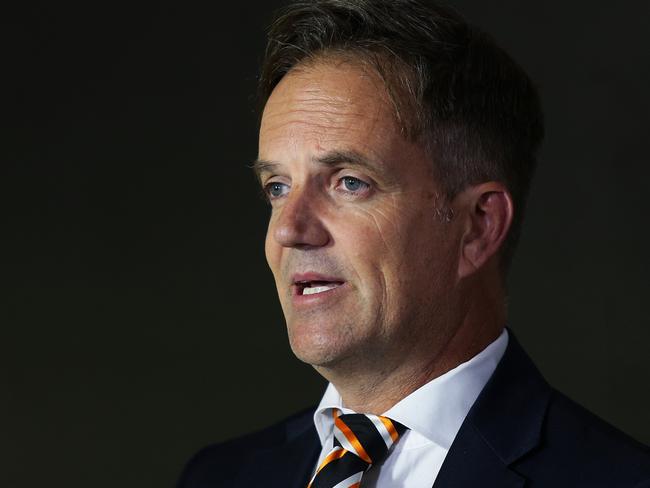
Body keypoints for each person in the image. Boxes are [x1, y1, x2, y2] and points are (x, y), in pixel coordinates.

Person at [177, 1, 650, 486]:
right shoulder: (219, 476)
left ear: (478, 226)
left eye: (349, 183)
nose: (288, 230)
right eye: (277, 187)